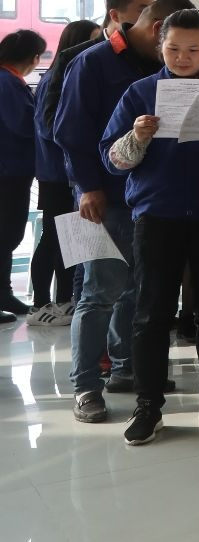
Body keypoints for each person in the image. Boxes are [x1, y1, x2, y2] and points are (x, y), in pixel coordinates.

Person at [100, 8, 199, 445]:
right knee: (151, 313)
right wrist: (138, 136)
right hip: (157, 215)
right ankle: (148, 405)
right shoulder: (141, 92)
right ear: (160, 46)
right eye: (173, 49)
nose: (183, 58)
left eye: (193, 49)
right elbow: (113, 159)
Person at [57, 0, 184, 424]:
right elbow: (69, 131)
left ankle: (126, 366)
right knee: (98, 293)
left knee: (136, 290)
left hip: (146, 199)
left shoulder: (157, 67)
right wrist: (87, 187)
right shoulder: (91, 62)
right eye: (170, 43)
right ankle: (85, 385)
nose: (176, 54)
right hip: (99, 199)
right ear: (157, 30)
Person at [27, 19, 101, 324]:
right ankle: (41, 304)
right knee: (55, 237)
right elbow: (50, 128)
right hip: (57, 173)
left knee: (66, 237)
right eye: (93, 39)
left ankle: (62, 299)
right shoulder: (56, 78)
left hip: (63, 171)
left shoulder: (71, 74)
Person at [0, 28, 51, 319]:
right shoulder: (8, 83)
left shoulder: (8, 80)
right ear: (33, 58)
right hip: (9, 171)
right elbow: (22, 125)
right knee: (6, 234)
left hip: (11, 170)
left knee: (7, 235)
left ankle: (4, 293)